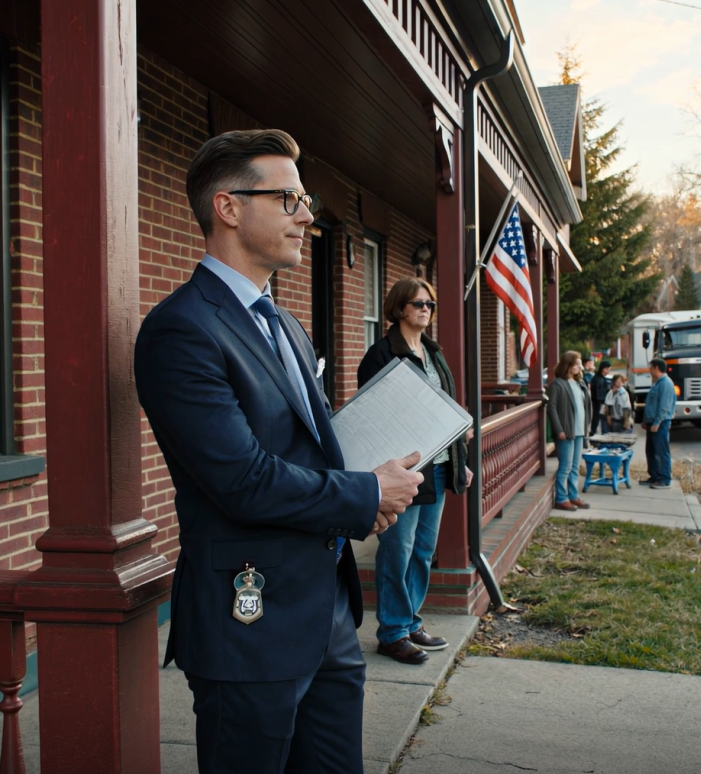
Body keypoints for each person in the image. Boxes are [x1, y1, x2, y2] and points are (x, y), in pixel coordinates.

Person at [134, 129, 424, 774]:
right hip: (250, 619)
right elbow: (241, 477)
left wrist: (368, 495)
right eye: (288, 197)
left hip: (328, 610)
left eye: (307, 198)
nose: (306, 213)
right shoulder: (180, 329)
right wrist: (366, 493)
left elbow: (307, 448)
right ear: (229, 208)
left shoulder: (284, 321)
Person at [357, 278, 472, 665]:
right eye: (418, 303)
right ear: (400, 308)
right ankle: (391, 632)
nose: (426, 309)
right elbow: (374, 417)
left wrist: (461, 461)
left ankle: (409, 621)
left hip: (438, 468)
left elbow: (446, 411)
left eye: (430, 304)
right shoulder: (381, 354)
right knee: (397, 551)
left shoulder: (434, 353)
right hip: (406, 471)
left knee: (423, 551)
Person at [547, 350, 592, 512]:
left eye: (580, 364)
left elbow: (585, 406)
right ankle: (561, 498)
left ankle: (573, 495)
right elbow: (551, 408)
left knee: (574, 466)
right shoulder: (557, 384)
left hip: (579, 431)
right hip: (566, 431)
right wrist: (558, 429)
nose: (580, 367)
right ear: (568, 365)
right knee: (565, 466)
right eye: (576, 364)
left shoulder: (579, 383)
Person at [641, 357, 677, 489]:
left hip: (660, 423)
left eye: (651, 368)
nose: (649, 370)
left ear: (656, 368)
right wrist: (646, 421)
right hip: (652, 422)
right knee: (651, 450)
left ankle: (664, 478)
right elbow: (651, 404)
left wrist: (656, 423)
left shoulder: (666, 383)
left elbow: (664, 406)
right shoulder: (657, 383)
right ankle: (654, 476)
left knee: (661, 451)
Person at [589, 360, 612, 435]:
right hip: (599, 402)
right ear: (604, 369)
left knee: (598, 417)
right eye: (608, 369)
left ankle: (595, 431)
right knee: (598, 417)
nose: (608, 371)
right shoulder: (599, 379)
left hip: (599, 401)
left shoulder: (599, 378)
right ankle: (594, 432)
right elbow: (599, 393)